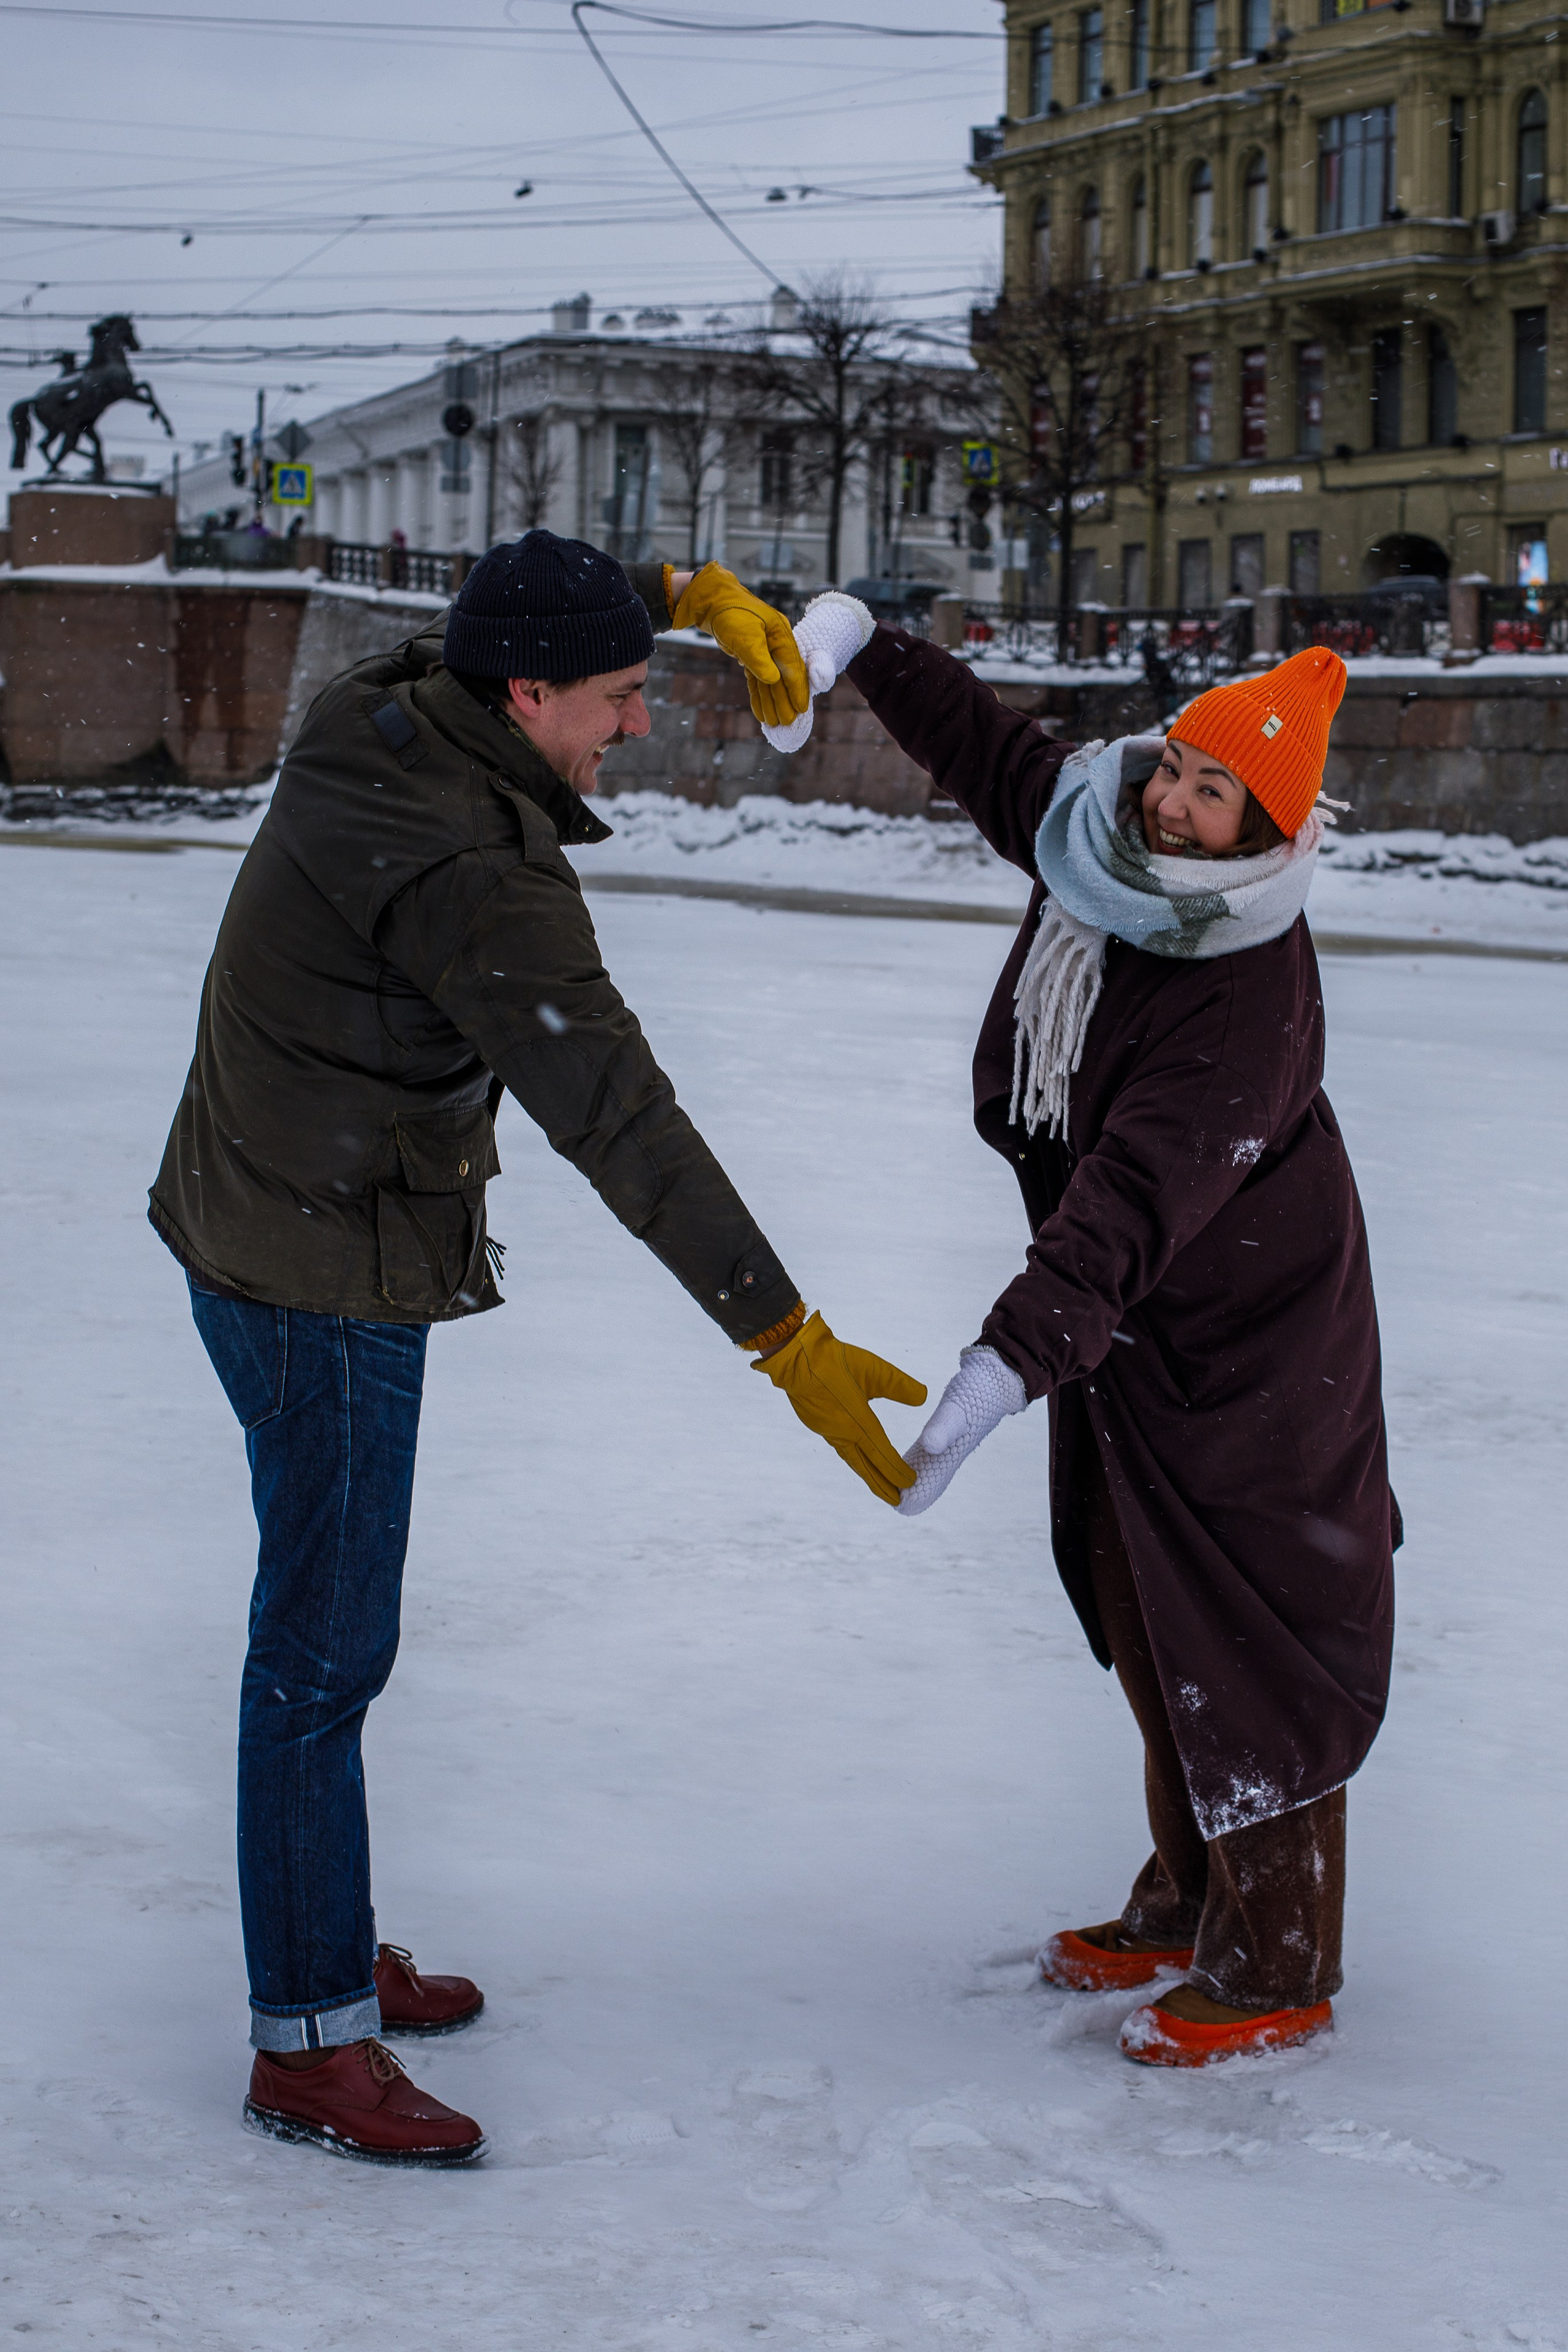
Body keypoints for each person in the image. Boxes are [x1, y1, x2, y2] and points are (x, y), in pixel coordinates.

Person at [148, 533, 925, 2165]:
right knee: (321, 1653)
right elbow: (618, 1112)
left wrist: (690, 593)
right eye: (624, 697)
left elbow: (522, 591)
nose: (635, 728)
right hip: (321, 1266)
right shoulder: (474, 874)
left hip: (256, 1202)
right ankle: (306, 2036)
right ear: (529, 693)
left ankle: (319, 1931)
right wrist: (786, 1337)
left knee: (321, 1638)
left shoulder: (383, 703)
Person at [799, 616, 1397, 2067]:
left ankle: (1275, 1958)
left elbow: (1136, 1194)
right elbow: (989, 750)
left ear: (1263, 832)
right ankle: (1187, 1893)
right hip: (1129, 1321)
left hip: (1246, 1327)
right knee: (1139, 1599)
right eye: (1172, 767)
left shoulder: (1242, 982)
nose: (1167, 804)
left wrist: (1005, 1361)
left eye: (1209, 796)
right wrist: (862, 643)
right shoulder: (1092, 840)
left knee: (1252, 1624)